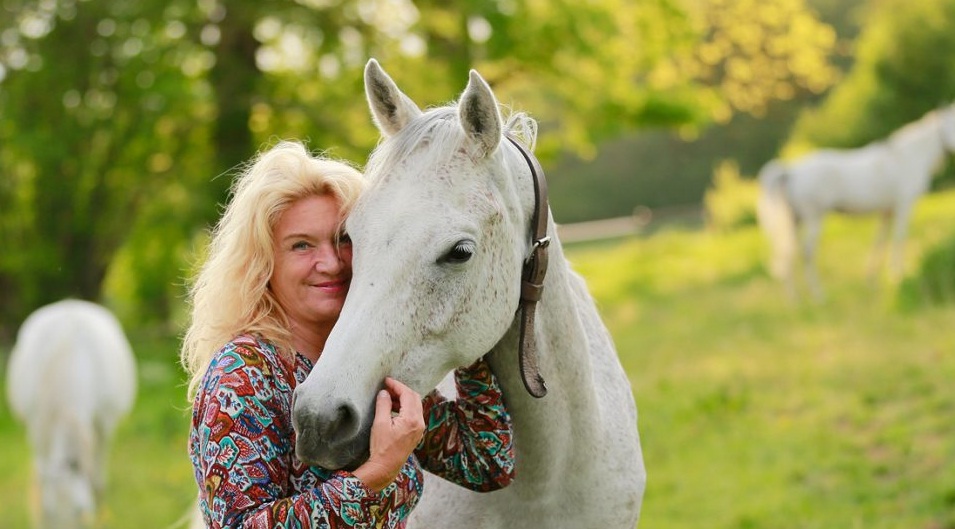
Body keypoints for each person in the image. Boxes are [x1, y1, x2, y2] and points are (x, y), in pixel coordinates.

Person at [179, 141, 515, 528]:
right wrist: (376, 473)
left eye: (344, 239)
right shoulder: (244, 373)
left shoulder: (364, 361)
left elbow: (485, 461)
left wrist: (465, 321)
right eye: (301, 245)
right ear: (264, 264)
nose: (331, 262)